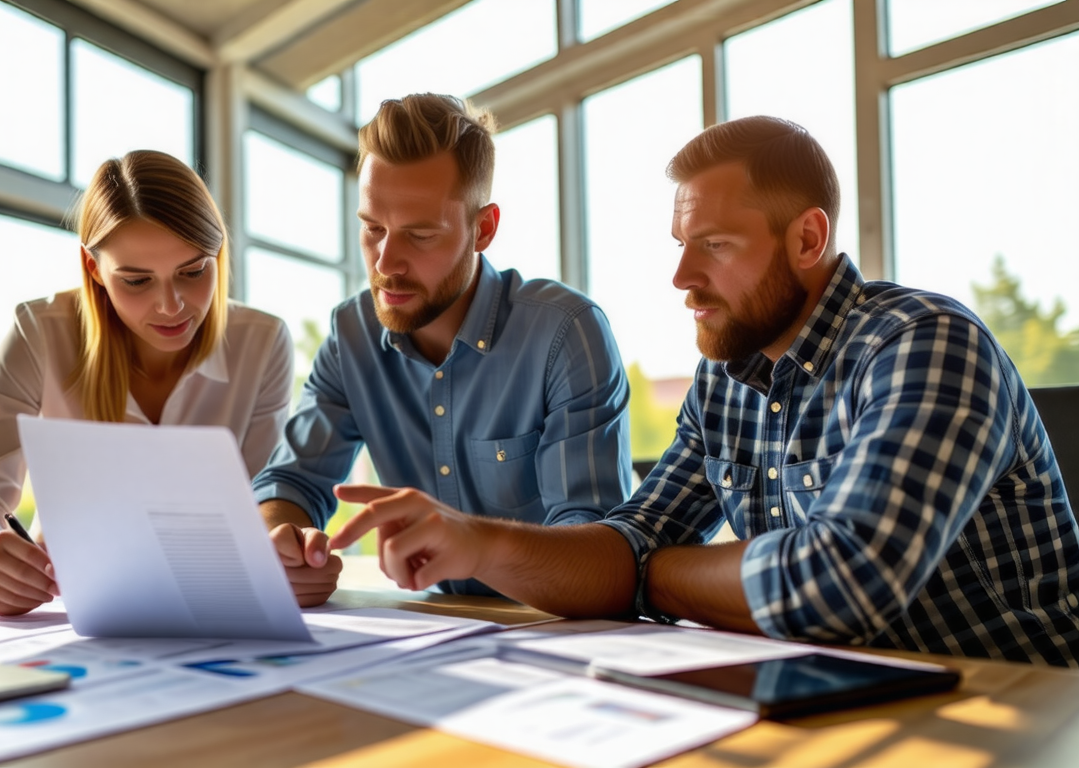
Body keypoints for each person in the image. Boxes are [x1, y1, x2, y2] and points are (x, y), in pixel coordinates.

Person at [329, 115, 1079, 667]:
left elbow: (842, 583)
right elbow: (621, 544)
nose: (683, 280)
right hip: (837, 695)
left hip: (1019, 702)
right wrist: (474, 541)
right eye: (681, 247)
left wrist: (642, 577)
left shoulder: (925, 342)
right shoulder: (722, 383)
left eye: (715, 246)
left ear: (808, 240)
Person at [253, 93, 634, 606]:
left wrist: (476, 545)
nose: (386, 262)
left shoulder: (565, 333)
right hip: (441, 627)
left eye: (420, 235)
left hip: (552, 628)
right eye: (372, 229)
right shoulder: (352, 335)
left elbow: (599, 560)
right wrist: (283, 542)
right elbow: (291, 482)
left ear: (483, 229)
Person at [0, 150, 294, 616]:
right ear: (93, 269)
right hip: (66, 613)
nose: (171, 306)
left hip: (213, 609)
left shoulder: (261, 342)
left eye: (193, 271)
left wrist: (287, 554)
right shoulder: (39, 332)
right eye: (137, 281)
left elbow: (261, 507)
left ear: (218, 255)